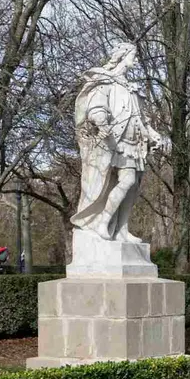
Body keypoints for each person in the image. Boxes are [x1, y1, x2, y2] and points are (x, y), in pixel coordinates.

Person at [70, 42, 170, 242]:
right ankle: (102, 222)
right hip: (113, 142)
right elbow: (96, 107)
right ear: (123, 56)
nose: (134, 60)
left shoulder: (132, 88)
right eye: (132, 55)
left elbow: (143, 120)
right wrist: (100, 119)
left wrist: (154, 134)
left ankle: (122, 231)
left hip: (135, 144)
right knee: (126, 181)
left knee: (131, 188)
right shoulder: (105, 82)